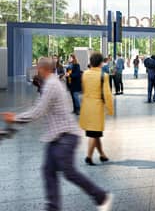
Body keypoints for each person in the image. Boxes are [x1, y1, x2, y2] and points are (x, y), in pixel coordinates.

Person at [1, 57, 113, 211]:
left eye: (38, 69)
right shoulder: (51, 83)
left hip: (65, 137)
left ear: (42, 69)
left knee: (69, 172)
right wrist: (13, 125)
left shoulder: (52, 85)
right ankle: (54, 207)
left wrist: (14, 119)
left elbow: (38, 111)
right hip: (56, 137)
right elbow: (40, 110)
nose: (37, 72)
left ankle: (101, 196)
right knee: (48, 171)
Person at [79, 53, 114, 165]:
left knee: (96, 133)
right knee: (94, 133)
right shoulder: (104, 76)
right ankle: (88, 157)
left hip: (86, 106)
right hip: (96, 108)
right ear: (101, 63)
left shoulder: (85, 74)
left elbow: (84, 89)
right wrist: (110, 109)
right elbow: (107, 94)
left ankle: (102, 155)